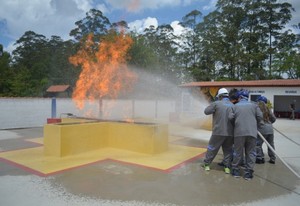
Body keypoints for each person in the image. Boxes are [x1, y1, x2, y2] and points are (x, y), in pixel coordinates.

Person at [229, 90, 263, 180]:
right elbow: (260, 117)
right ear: (247, 97)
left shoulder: (235, 106)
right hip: (252, 132)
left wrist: (236, 123)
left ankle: (235, 170)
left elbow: (230, 117)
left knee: (237, 152)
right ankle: (249, 172)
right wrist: (256, 125)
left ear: (239, 97)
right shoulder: (254, 105)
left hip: (239, 132)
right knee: (251, 152)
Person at [203, 88, 234, 174]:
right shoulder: (233, 105)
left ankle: (207, 165)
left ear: (220, 96)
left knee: (212, 148)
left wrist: (213, 105)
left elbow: (206, 111)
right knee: (228, 150)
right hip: (230, 133)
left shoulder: (216, 104)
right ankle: (227, 167)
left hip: (218, 132)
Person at [255, 96, 276, 164]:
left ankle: (260, 158)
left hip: (261, 129)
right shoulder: (268, 109)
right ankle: (272, 158)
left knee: (258, 144)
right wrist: (269, 123)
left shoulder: (257, 109)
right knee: (271, 144)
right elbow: (274, 119)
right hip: (270, 129)